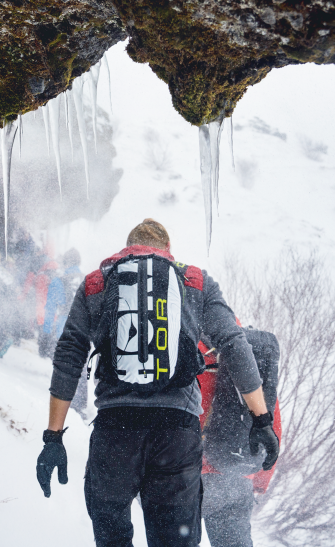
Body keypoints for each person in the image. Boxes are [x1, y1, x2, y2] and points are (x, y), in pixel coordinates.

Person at [36, 218, 280, 547]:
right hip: (176, 435)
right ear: (167, 252)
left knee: (112, 533)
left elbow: (69, 356)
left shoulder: (97, 283)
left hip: (115, 432)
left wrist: (53, 437)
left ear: (127, 249)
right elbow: (235, 346)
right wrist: (262, 419)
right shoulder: (194, 282)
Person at [198, 330, 282, 547]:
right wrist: (259, 481)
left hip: (192, 476)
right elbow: (273, 427)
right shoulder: (252, 357)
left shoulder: (189, 347)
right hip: (237, 479)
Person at [38, 248, 86, 415]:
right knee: (81, 366)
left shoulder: (59, 280)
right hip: (85, 332)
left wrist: (45, 333)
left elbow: (50, 308)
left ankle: (65, 403)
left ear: (66, 262)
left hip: (64, 330)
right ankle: (80, 404)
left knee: (65, 368)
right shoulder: (87, 279)